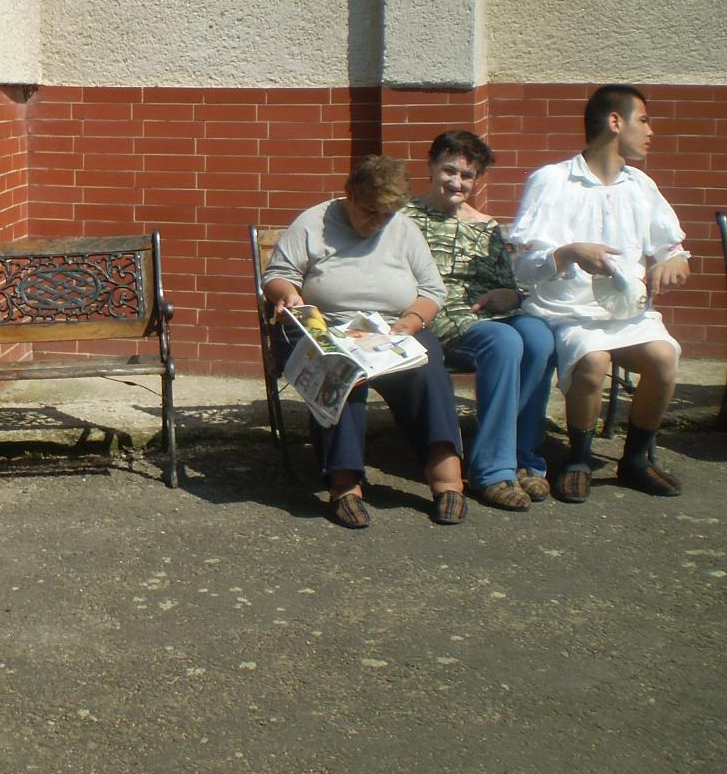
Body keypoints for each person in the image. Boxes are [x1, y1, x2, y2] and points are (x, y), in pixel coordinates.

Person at [508, 85, 691, 503]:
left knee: (664, 358)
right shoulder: (553, 180)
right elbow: (523, 265)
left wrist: (670, 265)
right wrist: (569, 252)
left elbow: (675, 251)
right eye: (643, 120)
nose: (651, 131)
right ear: (614, 122)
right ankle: (579, 458)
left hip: (628, 312)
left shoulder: (640, 185)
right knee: (593, 362)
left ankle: (636, 459)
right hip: (568, 312)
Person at [262, 156, 467, 530]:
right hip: (327, 326)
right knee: (342, 371)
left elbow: (432, 290)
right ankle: (345, 485)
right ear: (350, 195)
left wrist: (409, 322)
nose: (378, 222)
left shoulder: (403, 228)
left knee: (427, 370)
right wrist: (288, 294)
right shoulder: (314, 222)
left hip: (392, 329)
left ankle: (447, 480)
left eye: (387, 215)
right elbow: (277, 276)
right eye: (370, 212)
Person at [402, 131, 557, 511]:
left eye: (467, 175)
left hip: (488, 314)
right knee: (504, 342)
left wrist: (511, 295)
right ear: (431, 166)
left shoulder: (485, 225)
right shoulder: (402, 218)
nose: (457, 182)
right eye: (449, 171)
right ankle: (492, 471)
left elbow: (507, 285)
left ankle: (521, 455)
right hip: (435, 317)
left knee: (540, 337)